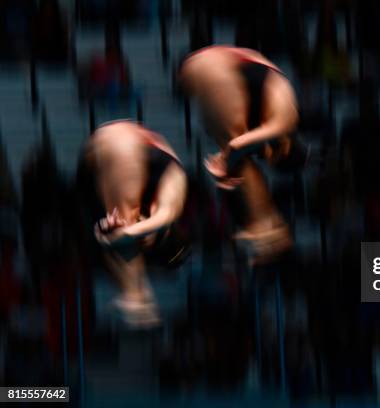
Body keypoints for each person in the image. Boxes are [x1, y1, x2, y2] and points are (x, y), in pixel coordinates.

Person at [179, 45, 301, 263]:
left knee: (239, 155)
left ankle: (265, 224)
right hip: (214, 69)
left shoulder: (277, 112)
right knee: (238, 156)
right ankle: (266, 225)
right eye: (270, 155)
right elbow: (236, 146)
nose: (265, 156)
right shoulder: (285, 121)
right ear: (285, 147)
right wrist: (224, 162)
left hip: (223, 68)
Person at [78, 120, 188, 327]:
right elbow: (164, 216)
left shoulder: (123, 209)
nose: (140, 235)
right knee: (121, 232)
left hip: (99, 161)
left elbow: (112, 238)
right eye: (146, 238)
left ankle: (135, 296)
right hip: (127, 144)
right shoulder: (173, 189)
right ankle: (136, 296)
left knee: (113, 234)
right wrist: (129, 233)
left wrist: (121, 233)